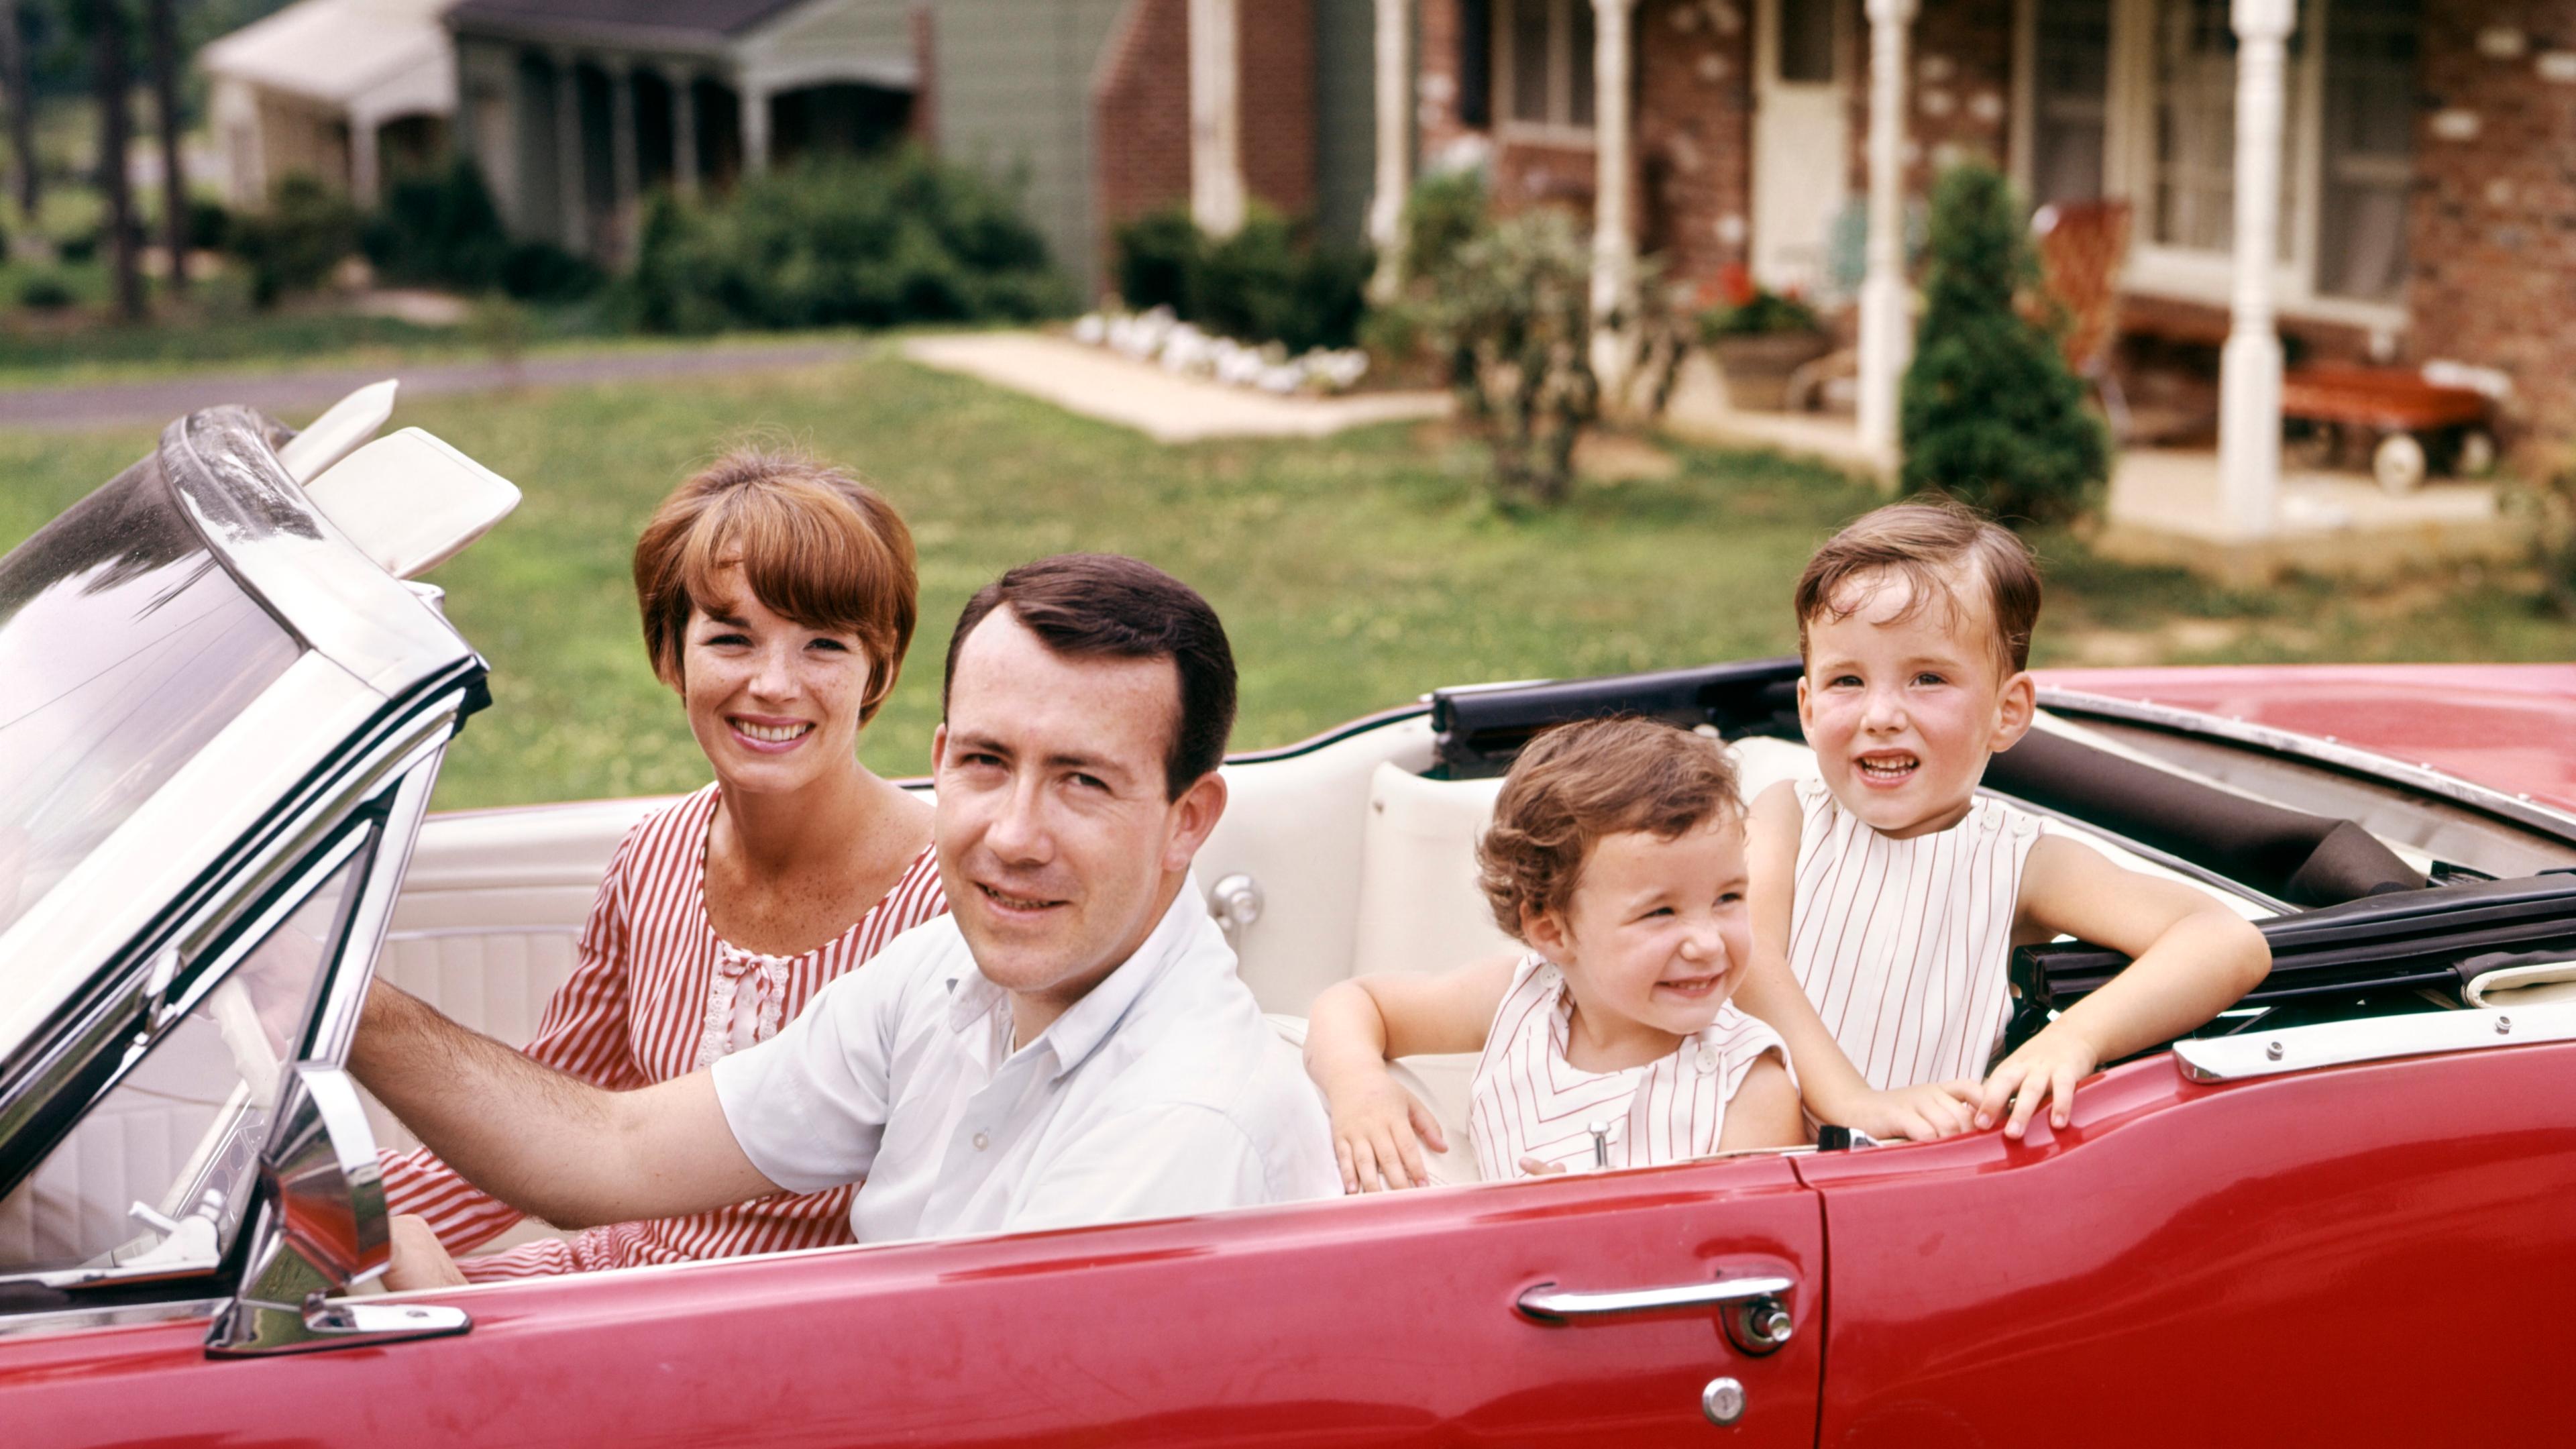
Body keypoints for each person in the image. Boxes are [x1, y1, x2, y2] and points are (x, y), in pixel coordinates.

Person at [358, 553, 1337, 1279]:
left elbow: (964, 1411)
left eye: (1083, 782)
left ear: (1188, 820)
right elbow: (613, 1151)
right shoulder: (943, 973)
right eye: (988, 763)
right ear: (944, 753)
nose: (1013, 836)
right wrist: (347, 1008)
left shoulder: (1180, 1127)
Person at [380, 448, 945, 1286]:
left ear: (881, 669)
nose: (773, 684)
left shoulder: (948, 901)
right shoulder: (654, 856)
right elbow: (545, 1121)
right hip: (621, 1276)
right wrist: (331, 1215)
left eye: (823, 645)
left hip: (815, 1326)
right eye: (731, 638)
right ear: (671, 658)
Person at [1728, 500, 2271, 1141]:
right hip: (1759, 1164)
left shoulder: (2020, 860)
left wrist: (2077, 1037)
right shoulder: (1788, 815)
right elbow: (1749, 959)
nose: (1880, 714)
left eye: (1927, 678)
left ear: (2007, 712)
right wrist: (1854, 1100)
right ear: (1809, 707)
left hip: (1915, 1181)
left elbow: (2227, 942)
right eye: (1847, 681)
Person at [1304, 716, 1805, 1193]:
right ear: (1551, 930)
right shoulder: (1522, 999)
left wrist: (1589, 1228)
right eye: (1661, 913)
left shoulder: (1748, 1087)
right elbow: (1355, 1003)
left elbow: (1748, 1261)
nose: (1708, 943)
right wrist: (1359, 1085)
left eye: (1728, 899)